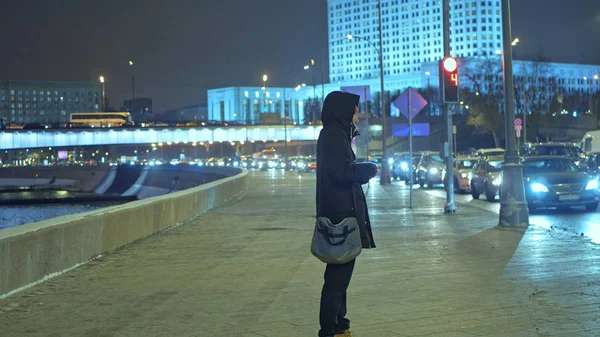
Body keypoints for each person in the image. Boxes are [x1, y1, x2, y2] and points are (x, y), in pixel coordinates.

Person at [316, 91, 378, 337]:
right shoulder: (334, 135)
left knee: (339, 277)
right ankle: (330, 330)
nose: (357, 114)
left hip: (339, 214)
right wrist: (368, 169)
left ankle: (339, 325)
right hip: (340, 219)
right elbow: (341, 172)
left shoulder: (336, 134)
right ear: (343, 111)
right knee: (337, 279)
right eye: (354, 110)